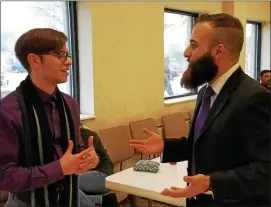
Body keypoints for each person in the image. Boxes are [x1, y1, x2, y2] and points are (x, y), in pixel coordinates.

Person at [131, 13, 270, 207]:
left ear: (218, 51)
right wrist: (166, 146)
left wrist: (212, 183)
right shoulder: (206, 91)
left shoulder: (254, 97)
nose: (186, 52)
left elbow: (266, 169)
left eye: (194, 45)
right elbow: (205, 145)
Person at [0, 28, 99, 207]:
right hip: (27, 202)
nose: (68, 62)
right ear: (34, 60)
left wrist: (88, 159)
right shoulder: (8, 110)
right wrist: (58, 169)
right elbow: (5, 176)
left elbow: (74, 150)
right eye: (60, 55)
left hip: (69, 196)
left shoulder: (69, 103)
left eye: (68, 55)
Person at [79, 125, 119, 207]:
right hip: (84, 177)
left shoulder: (86, 134)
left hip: (103, 175)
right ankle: (102, 200)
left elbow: (106, 163)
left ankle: (103, 200)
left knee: (66, 184)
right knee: (64, 187)